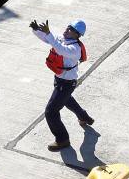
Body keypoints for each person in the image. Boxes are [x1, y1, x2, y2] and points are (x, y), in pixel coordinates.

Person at [30, 18, 94, 150]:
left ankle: (62, 139)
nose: (67, 30)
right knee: (67, 100)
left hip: (66, 84)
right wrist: (36, 30)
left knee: (51, 112)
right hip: (60, 80)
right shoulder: (63, 39)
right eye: (68, 27)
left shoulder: (74, 49)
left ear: (77, 35)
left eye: (71, 29)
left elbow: (59, 49)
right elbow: (49, 39)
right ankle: (84, 117)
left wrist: (48, 34)